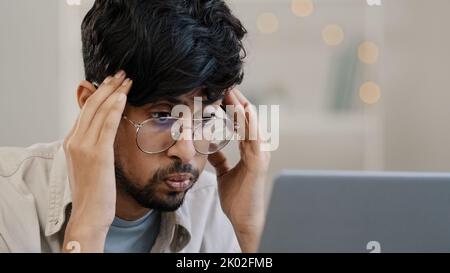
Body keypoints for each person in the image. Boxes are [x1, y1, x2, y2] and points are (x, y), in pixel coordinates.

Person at [0, 0, 270, 253]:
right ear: (90, 103)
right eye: (163, 115)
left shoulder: (214, 208)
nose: (187, 152)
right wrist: (87, 226)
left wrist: (249, 230)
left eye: (205, 119)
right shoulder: (8, 201)